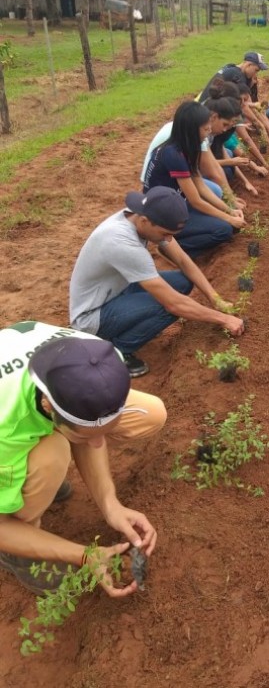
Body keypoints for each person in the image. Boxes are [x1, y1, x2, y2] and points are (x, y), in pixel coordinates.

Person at [0, 320, 167, 596]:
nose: (100, 444)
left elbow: (92, 425)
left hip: (37, 383)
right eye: (88, 437)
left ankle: (49, 465)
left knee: (152, 413)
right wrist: (86, 555)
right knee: (52, 454)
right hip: (10, 415)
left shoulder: (99, 355)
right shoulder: (6, 427)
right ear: (48, 407)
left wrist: (110, 503)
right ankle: (16, 552)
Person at [70, 186, 244, 377]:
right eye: (164, 234)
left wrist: (215, 298)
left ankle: (131, 324)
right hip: (92, 315)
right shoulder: (121, 242)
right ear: (145, 221)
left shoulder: (142, 218)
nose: (168, 240)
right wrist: (224, 319)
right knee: (168, 306)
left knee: (182, 282)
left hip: (117, 291)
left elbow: (183, 261)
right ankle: (118, 351)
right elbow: (174, 304)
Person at [142, 101, 246, 258]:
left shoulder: (187, 148)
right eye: (205, 129)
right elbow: (196, 200)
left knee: (218, 208)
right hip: (163, 214)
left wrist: (229, 210)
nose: (209, 132)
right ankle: (172, 248)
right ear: (191, 130)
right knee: (223, 230)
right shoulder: (173, 154)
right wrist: (229, 219)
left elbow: (200, 185)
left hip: (176, 202)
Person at [197, 51, 269, 136]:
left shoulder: (231, 68)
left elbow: (249, 102)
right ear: (249, 65)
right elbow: (244, 106)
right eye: (256, 70)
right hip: (209, 115)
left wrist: (262, 119)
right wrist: (260, 125)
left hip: (204, 107)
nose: (255, 74)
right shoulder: (239, 77)